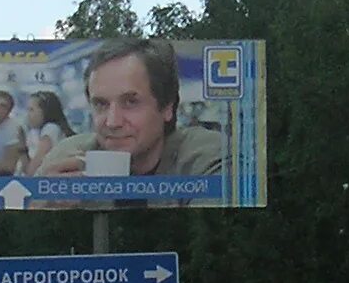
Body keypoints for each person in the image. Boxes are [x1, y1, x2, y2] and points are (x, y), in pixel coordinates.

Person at [31, 35, 225, 178]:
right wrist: (43, 208)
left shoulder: (205, 157)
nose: (113, 122)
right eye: (101, 104)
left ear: (167, 106)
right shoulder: (67, 156)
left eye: (131, 102)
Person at [14, 90, 72, 173]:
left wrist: (22, 146)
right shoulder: (50, 130)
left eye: (31, 110)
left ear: (45, 111)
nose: (28, 115)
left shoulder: (50, 129)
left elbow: (32, 172)